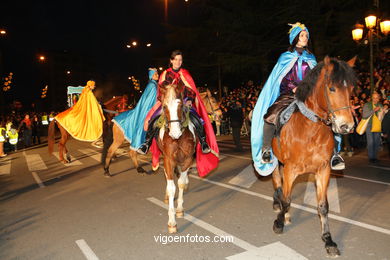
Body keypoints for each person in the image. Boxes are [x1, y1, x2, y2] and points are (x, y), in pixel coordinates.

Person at [251, 23, 344, 176]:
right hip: (289, 94)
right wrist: (293, 87)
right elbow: (281, 78)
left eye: (306, 35)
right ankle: (266, 149)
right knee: (270, 116)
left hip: (308, 95)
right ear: (294, 38)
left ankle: (334, 154)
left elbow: (317, 78)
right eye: (302, 35)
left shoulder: (311, 58)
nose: (305, 38)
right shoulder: (285, 57)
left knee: (328, 116)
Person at [139, 50, 219, 177]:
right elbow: (161, 90)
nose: (178, 62)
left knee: (197, 119)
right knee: (153, 119)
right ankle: (146, 143)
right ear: (171, 60)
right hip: (168, 103)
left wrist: (189, 101)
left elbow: (191, 90)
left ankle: (203, 142)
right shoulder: (165, 74)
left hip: (184, 103)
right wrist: (167, 100)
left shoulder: (185, 74)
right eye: (175, 59)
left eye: (180, 60)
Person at [112, 68, 158, 151]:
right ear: (151, 76)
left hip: (152, 108)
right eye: (155, 74)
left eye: (157, 74)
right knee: (149, 124)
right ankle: (144, 143)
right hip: (149, 109)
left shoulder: (154, 84)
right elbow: (150, 101)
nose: (157, 75)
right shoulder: (152, 85)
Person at [362, 93, 384, 163]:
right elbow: (364, 115)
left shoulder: (380, 105)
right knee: (370, 142)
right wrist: (373, 110)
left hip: (378, 125)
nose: (375, 99)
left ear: (379, 98)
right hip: (369, 125)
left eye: (377, 98)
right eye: (374, 98)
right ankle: (371, 158)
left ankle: (375, 156)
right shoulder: (367, 105)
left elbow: (382, 116)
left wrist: (383, 111)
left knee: (377, 142)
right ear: (372, 98)